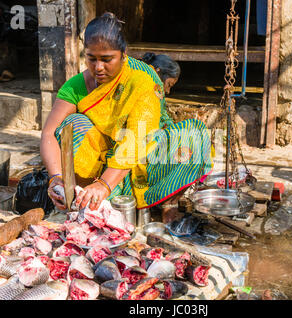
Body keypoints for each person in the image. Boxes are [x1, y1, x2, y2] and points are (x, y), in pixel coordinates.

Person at [41, 13, 213, 223]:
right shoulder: (76, 85)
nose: (98, 67)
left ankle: (167, 201)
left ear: (123, 54)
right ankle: (83, 195)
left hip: (146, 158)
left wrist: (105, 184)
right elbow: (49, 132)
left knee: (193, 134)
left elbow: (137, 140)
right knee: (72, 124)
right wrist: (56, 178)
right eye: (91, 58)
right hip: (104, 165)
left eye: (107, 59)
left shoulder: (141, 80)